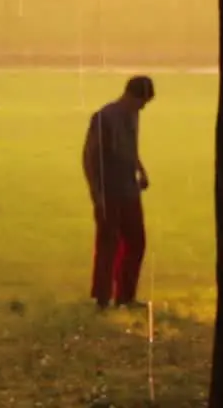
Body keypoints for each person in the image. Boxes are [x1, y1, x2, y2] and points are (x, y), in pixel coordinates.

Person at [82, 75, 154, 310]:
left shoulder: (133, 116)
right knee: (108, 244)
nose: (143, 107)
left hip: (129, 190)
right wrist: (96, 193)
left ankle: (125, 295)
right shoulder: (104, 118)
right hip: (109, 191)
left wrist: (141, 171)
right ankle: (102, 297)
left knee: (136, 242)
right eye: (142, 101)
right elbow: (90, 157)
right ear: (132, 95)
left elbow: (131, 148)